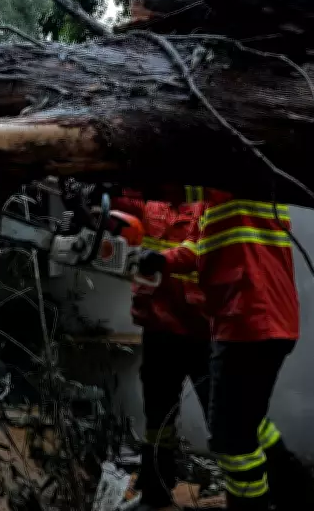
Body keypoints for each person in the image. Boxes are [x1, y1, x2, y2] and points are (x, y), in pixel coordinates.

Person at [138, 188, 314, 511]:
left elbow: (173, 181)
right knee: (242, 427)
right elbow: (196, 250)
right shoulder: (215, 203)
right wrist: (161, 260)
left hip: (249, 321)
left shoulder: (231, 180)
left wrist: (116, 172)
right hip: (238, 322)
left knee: (232, 437)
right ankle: (299, 499)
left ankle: (274, 500)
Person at [109, 185, 211, 510]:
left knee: (220, 415)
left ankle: (251, 491)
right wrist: (100, 184)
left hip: (202, 330)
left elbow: (200, 252)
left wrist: (161, 260)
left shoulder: (206, 207)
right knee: (158, 418)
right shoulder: (153, 203)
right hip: (160, 327)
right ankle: (155, 487)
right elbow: (124, 201)